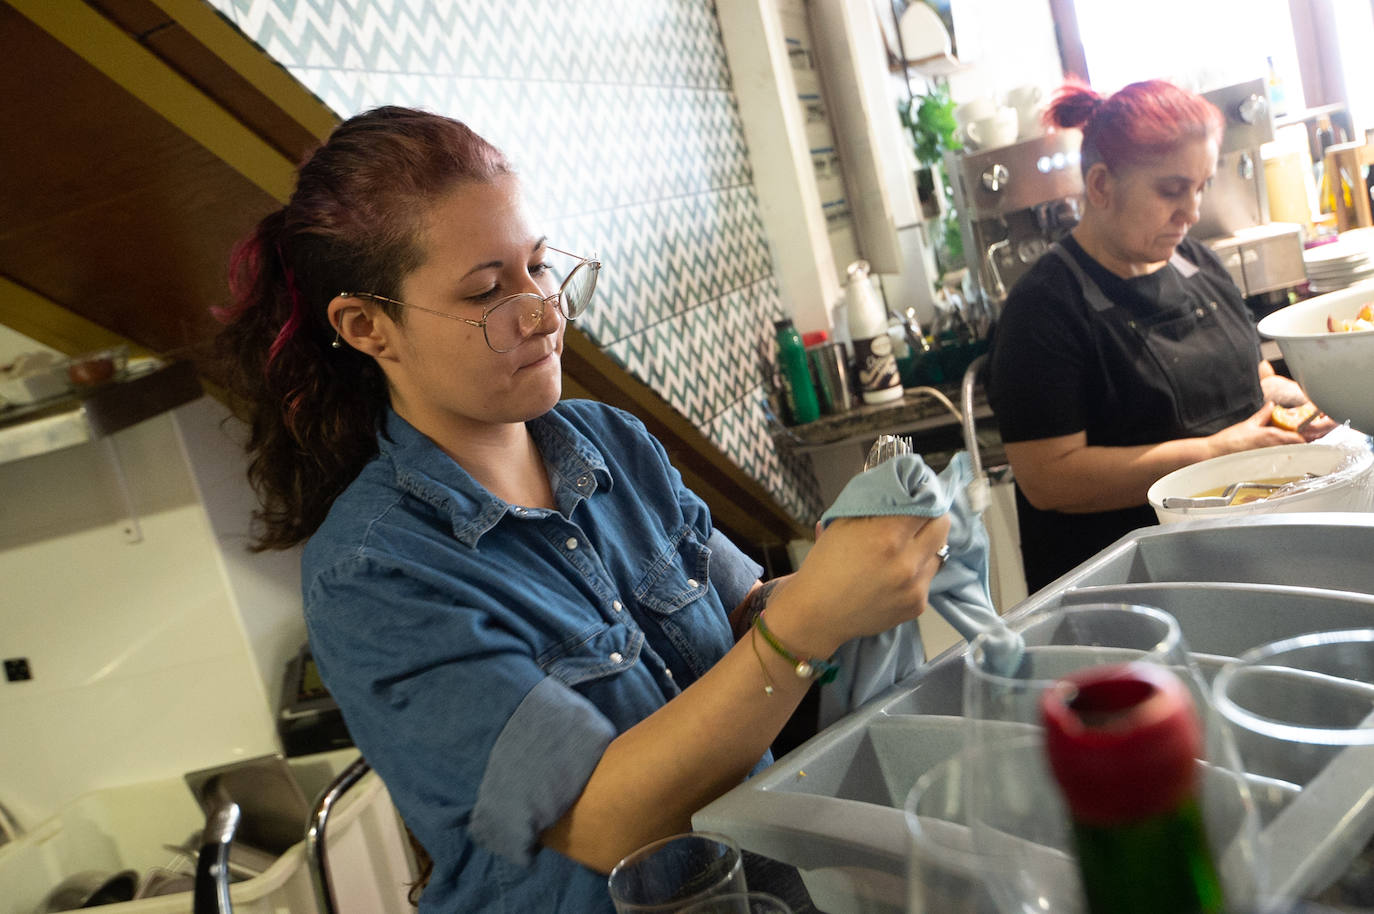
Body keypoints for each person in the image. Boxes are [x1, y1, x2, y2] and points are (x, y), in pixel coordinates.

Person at [213, 106, 950, 912]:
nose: (543, 311)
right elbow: (603, 824)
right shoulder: (373, 572)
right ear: (367, 327)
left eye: (538, 266)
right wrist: (808, 624)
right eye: (489, 291)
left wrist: (848, 578)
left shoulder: (609, 443)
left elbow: (744, 619)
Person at [986, 79, 1333, 593]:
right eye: (1171, 190)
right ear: (1101, 186)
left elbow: (1250, 374)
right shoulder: (1044, 308)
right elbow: (1050, 478)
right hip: (1132, 592)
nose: (1191, 213)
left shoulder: (1196, 262)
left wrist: (1304, 403)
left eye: (1201, 187)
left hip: (1242, 560)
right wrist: (1217, 453)